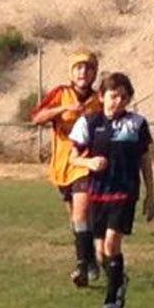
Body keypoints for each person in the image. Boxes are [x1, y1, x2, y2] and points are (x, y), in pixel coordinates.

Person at [70, 71, 154, 308]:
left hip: (124, 193)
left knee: (110, 245)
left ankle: (111, 302)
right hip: (98, 194)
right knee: (100, 253)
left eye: (123, 97)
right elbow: (72, 158)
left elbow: (144, 159)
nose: (118, 101)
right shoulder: (89, 123)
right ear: (101, 96)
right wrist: (89, 163)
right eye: (113, 96)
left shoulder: (136, 124)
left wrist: (150, 194)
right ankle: (119, 280)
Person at [29, 49, 102, 287]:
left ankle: (81, 267)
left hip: (85, 164)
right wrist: (62, 109)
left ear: (94, 73)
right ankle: (90, 260)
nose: (83, 72)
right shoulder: (61, 94)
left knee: (81, 214)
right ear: (71, 72)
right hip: (62, 166)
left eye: (88, 68)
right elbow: (36, 118)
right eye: (78, 68)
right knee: (77, 219)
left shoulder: (99, 99)